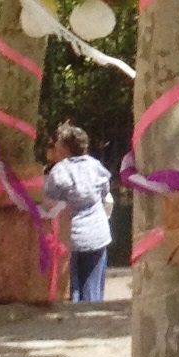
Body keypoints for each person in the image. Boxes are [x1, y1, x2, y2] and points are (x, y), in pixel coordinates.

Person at [44, 122, 114, 304]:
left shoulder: (59, 171)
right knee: (93, 291)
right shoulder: (96, 166)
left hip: (69, 238)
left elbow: (49, 203)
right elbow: (105, 194)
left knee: (71, 291)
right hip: (98, 235)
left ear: (64, 147)